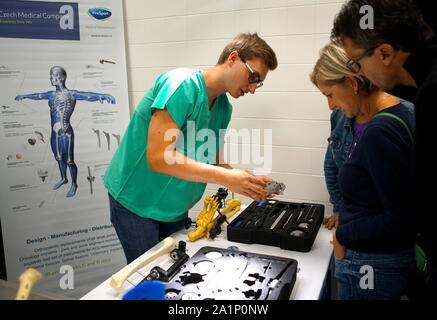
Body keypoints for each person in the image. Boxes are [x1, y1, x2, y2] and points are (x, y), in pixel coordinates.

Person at [104, 33, 278, 264]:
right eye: (252, 76)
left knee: (174, 274)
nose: (253, 88)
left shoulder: (223, 108)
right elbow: (158, 158)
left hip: (174, 208)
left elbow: (212, 163)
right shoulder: (180, 85)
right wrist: (227, 176)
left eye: (259, 82)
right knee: (148, 279)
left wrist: (247, 182)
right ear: (233, 58)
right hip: (136, 201)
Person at [330, 0, 437, 299]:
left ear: (385, 53)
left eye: (357, 62)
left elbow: (403, 216)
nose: (360, 73)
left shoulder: (425, 97)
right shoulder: (413, 99)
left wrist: (344, 234)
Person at [310, 42, 416, 300]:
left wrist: (344, 234)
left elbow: (399, 220)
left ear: (352, 82)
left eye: (330, 95)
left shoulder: (379, 131)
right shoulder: (398, 114)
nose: (330, 106)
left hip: (373, 264)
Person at [15, 66, 116, 197]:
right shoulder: (51, 95)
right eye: (50, 76)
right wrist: (24, 96)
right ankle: (64, 178)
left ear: (61, 78)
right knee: (58, 158)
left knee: (69, 160)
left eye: (53, 76)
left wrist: (103, 95)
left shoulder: (71, 94)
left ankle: (74, 184)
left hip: (66, 132)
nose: (51, 78)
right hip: (54, 133)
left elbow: (87, 95)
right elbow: (38, 95)